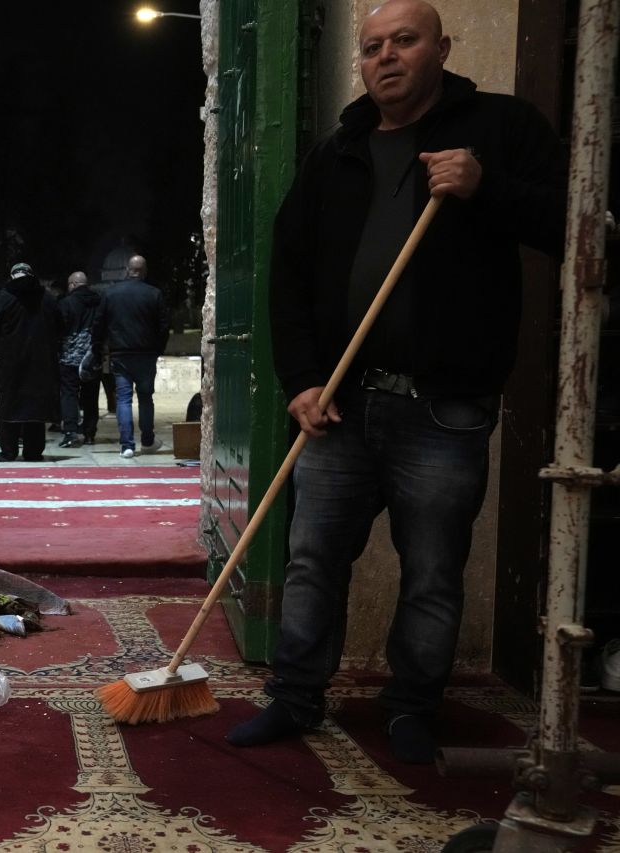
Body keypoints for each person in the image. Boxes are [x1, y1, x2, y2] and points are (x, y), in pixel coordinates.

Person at [229, 0, 567, 764]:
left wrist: (487, 186)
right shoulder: (337, 151)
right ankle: (294, 695)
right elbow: (288, 273)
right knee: (313, 558)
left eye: (403, 42)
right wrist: (303, 380)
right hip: (340, 404)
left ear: (441, 49)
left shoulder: (501, 129)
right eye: (373, 45)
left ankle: (412, 707)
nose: (384, 57)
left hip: (444, 410)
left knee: (434, 568)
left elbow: (572, 224)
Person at [95, 255, 170, 458]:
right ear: (144, 271)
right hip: (146, 354)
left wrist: (98, 348)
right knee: (146, 399)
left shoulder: (111, 294)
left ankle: (126, 445)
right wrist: (158, 348)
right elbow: (164, 326)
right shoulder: (154, 294)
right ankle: (147, 440)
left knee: (123, 399)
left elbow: (99, 324)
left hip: (120, 354)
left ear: (128, 270)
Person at [0, 263, 61, 461]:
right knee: (36, 407)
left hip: (11, 360)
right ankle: (33, 451)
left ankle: (9, 451)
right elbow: (60, 326)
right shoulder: (47, 299)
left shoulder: (4, 297)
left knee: (9, 405)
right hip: (41, 360)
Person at [57, 271, 102, 448]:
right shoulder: (99, 301)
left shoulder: (66, 303)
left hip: (70, 357)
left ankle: (70, 431)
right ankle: (90, 433)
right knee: (91, 396)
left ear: (73, 284)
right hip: (92, 357)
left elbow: (60, 327)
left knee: (69, 394)